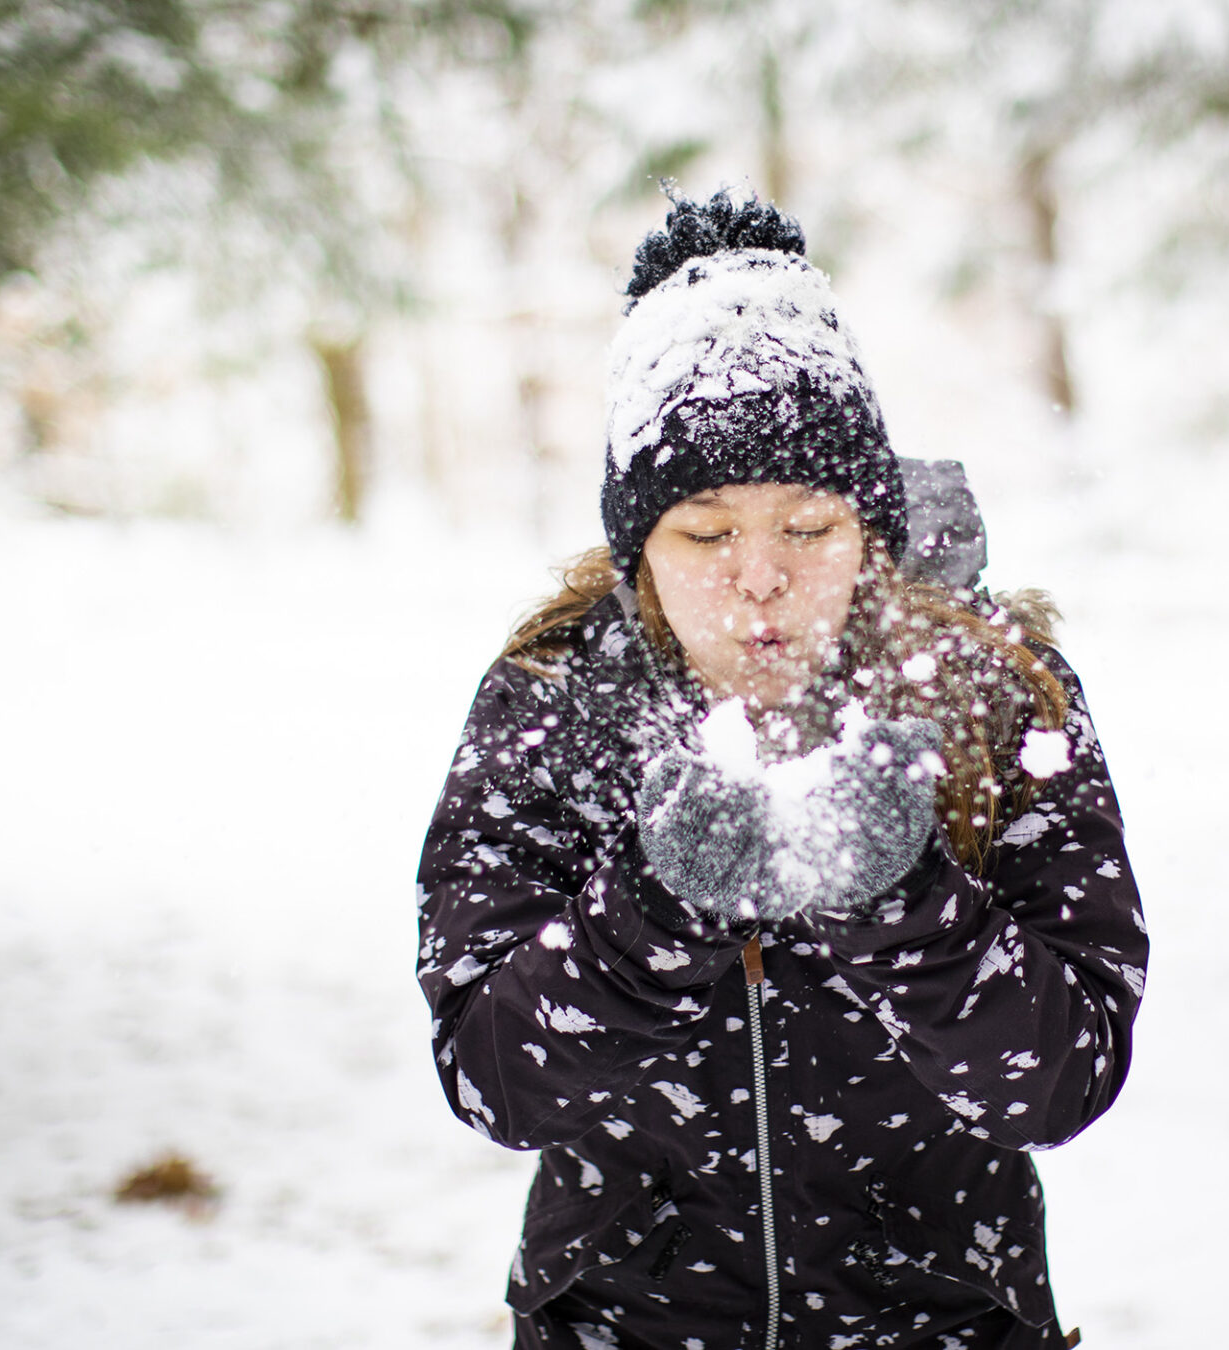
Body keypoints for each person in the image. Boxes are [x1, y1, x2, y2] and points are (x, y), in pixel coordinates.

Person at [416, 188, 1146, 1350]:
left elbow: (1063, 1080)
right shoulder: (552, 708)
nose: (758, 579)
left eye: (807, 528)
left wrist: (904, 903)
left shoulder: (998, 701)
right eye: (705, 534)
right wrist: (651, 914)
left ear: (872, 529)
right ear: (637, 550)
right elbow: (496, 1083)